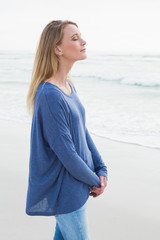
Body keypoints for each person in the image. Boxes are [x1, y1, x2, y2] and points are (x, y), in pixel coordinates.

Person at [25, 20, 108, 240]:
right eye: (74, 38)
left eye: (80, 36)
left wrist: (101, 169)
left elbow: (82, 131)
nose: (83, 41)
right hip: (65, 190)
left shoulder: (68, 85)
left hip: (78, 185)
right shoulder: (49, 94)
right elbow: (67, 153)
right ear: (57, 49)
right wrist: (93, 181)